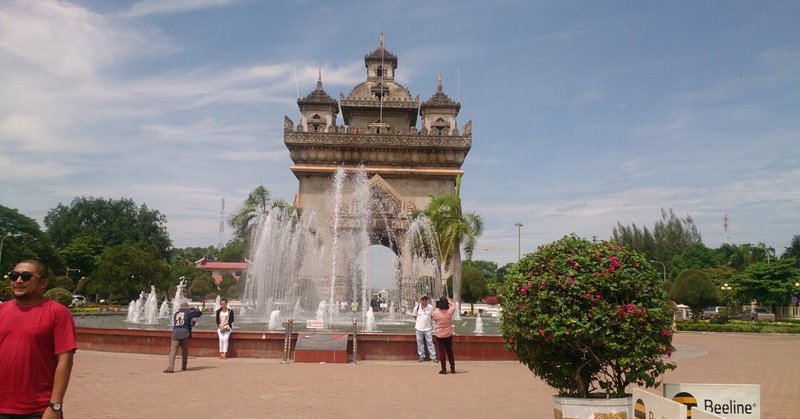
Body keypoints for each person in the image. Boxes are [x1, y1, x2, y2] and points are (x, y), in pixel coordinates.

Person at [0, 259, 77, 418]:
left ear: (43, 282)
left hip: (38, 409)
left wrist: (55, 406)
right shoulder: (2, 310)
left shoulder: (57, 313)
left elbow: (65, 360)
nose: (18, 281)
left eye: (26, 276)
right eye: (14, 276)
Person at [163, 302, 202, 373]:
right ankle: (184, 366)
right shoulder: (189, 313)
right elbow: (199, 313)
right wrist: (192, 308)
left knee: (173, 350)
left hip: (175, 333)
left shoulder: (176, 314)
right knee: (185, 350)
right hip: (185, 333)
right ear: (187, 308)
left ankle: (170, 368)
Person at [431, 296, 457, 375]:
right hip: (448, 334)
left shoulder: (436, 312)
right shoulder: (449, 311)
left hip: (439, 335)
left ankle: (444, 369)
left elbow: (433, 319)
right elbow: (454, 305)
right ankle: (452, 369)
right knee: (450, 351)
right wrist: (449, 301)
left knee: (442, 352)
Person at [411, 295, 436, 362]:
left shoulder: (430, 307)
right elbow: (414, 316)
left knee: (430, 343)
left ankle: (433, 357)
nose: (425, 300)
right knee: (420, 343)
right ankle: (421, 356)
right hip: (419, 328)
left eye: (426, 299)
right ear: (420, 300)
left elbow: (432, 316)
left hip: (428, 328)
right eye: (423, 299)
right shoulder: (417, 307)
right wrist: (419, 321)